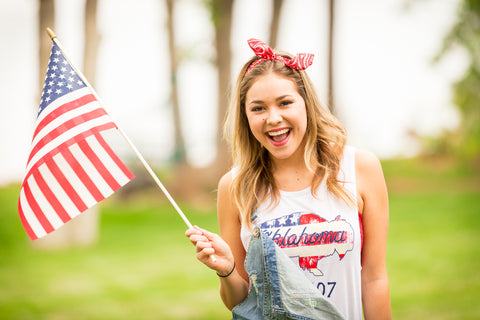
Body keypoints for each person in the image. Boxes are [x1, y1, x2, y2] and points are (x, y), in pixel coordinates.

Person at [186, 38, 391, 319]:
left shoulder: (360, 168)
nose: (273, 118)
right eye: (258, 108)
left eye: (285, 103)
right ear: (245, 116)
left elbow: (374, 279)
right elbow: (240, 300)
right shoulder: (234, 187)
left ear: (305, 103)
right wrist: (227, 270)